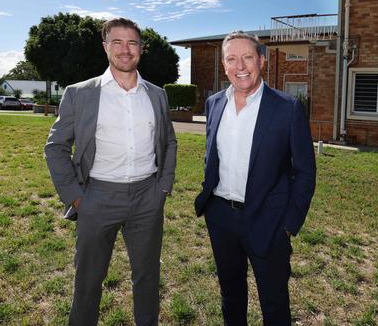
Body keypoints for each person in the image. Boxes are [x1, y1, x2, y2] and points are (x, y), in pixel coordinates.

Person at [44, 17, 177, 326]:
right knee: (88, 280)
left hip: (148, 197)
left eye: (132, 43)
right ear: (105, 47)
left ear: (141, 49)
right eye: (116, 42)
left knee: (147, 277)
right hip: (96, 197)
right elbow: (56, 147)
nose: (124, 50)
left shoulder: (156, 94)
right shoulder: (80, 93)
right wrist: (76, 197)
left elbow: (169, 141)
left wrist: (163, 188)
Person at [194, 31, 316, 325]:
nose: (240, 65)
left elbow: (305, 171)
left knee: (274, 304)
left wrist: (288, 224)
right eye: (231, 58)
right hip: (221, 217)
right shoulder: (214, 104)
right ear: (224, 65)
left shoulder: (287, 108)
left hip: (269, 221)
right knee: (231, 296)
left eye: (247, 57)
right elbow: (213, 157)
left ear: (261, 60)